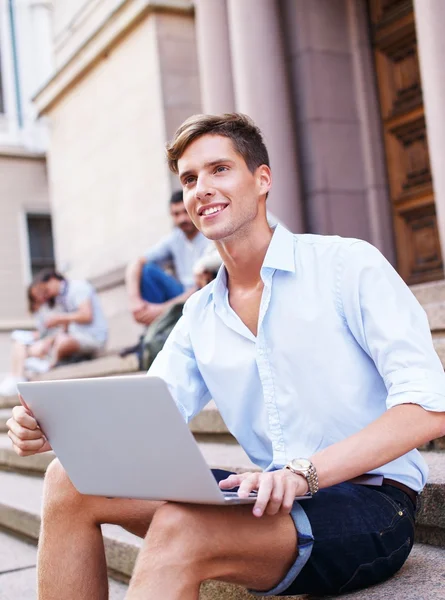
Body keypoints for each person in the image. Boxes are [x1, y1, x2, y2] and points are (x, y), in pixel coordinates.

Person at [7, 113, 445, 599]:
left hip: (375, 504)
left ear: (262, 180)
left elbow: (428, 409)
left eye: (219, 169)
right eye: (190, 178)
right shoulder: (199, 313)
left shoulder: (346, 265)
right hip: (268, 496)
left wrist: (304, 473)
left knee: (182, 524)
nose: (201, 189)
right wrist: (57, 429)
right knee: (68, 480)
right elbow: (147, 415)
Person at [125, 189, 212, 326]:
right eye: (176, 214)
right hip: (181, 293)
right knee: (146, 270)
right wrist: (134, 301)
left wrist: (160, 310)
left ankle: (160, 324)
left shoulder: (209, 236)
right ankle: (157, 329)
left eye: (185, 212)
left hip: (204, 297)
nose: (182, 219)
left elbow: (202, 286)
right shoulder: (175, 238)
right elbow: (136, 262)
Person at [30, 269, 108, 366]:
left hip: (94, 338)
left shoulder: (77, 287)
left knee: (63, 342)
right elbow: (65, 329)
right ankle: (50, 362)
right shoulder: (60, 298)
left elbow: (86, 316)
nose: (45, 296)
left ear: (52, 279)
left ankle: (50, 365)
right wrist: (50, 340)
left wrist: (60, 319)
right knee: (37, 348)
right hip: (74, 337)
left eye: (45, 291)